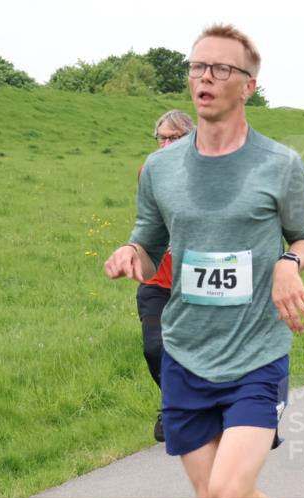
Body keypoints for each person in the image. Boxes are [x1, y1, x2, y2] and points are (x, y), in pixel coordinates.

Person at [104, 24, 304, 498]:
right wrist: (132, 252)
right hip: (186, 354)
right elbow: (151, 235)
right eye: (198, 66)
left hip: (255, 352)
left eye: (221, 69)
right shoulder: (162, 166)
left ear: (248, 85)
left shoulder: (278, 163)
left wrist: (288, 262)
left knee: (229, 492)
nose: (205, 77)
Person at [137, 110, 194, 442]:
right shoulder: (149, 172)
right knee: (154, 349)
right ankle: (174, 403)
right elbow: (147, 224)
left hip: (200, 285)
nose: (168, 143)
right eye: (163, 137)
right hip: (158, 282)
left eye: (176, 138)